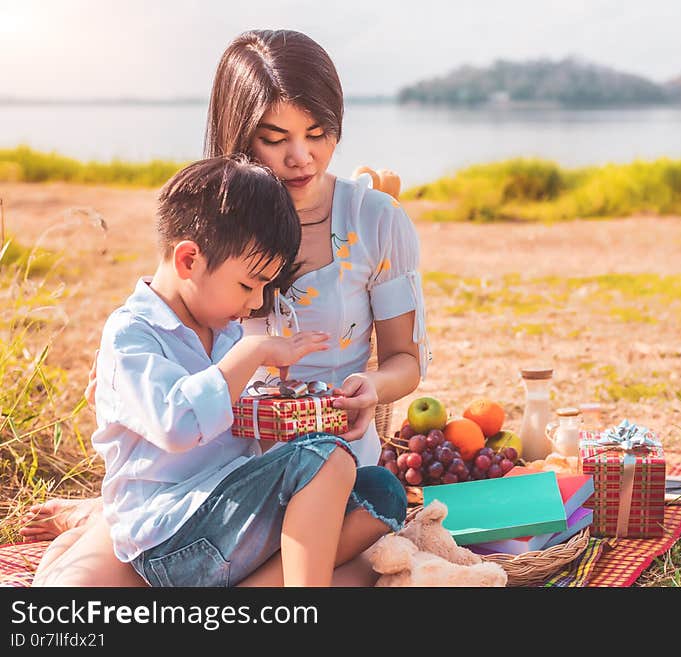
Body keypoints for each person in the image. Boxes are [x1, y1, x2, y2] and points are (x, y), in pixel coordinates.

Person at [25, 29, 428, 586]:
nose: (301, 156)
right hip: (202, 488)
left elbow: (405, 358)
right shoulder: (217, 215)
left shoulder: (376, 222)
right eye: (275, 138)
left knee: (377, 498)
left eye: (319, 133)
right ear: (240, 137)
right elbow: (164, 325)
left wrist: (372, 389)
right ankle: (112, 525)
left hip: (307, 463)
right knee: (67, 594)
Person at [42, 154, 406, 587]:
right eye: (248, 285)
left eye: (264, 288)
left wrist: (296, 411)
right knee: (325, 461)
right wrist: (251, 354)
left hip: (225, 521)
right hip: (171, 536)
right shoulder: (131, 336)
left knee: (381, 492)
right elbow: (179, 425)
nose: (255, 304)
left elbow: (237, 431)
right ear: (188, 261)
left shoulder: (224, 334)